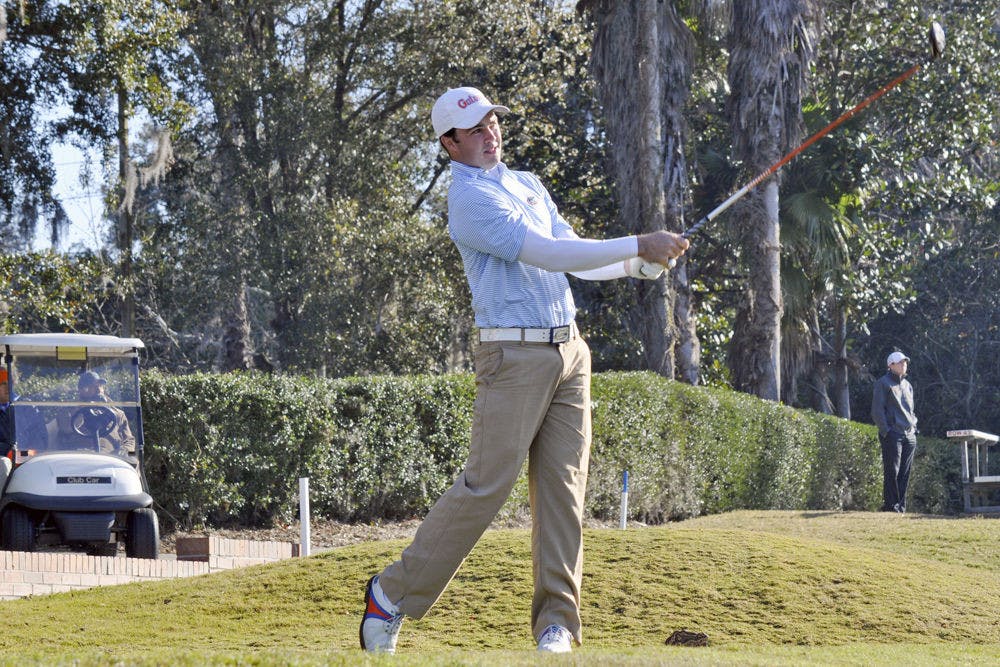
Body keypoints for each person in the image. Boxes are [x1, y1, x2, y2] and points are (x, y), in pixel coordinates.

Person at [359, 86, 689, 655]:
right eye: (475, 129)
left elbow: (573, 252)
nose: (490, 134)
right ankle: (390, 596)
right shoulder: (468, 200)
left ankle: (556, 625)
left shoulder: (527, 184)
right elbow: (548, 255)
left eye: (493, 123)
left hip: (570, 351)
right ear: (449, 144)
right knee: (486, 487)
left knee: (564, 491)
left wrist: (636, 265)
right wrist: (640, 241)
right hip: (512, 357)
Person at [871, 351, 918, 513]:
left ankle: (901, 507)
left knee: (905, 472)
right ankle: (891, 506)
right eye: (900, 362)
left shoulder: (908, 385)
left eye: (905, 362)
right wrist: (887, 431)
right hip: (893, 434)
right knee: (892, 471)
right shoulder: (883, 383)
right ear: (890, 365)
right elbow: (877, 411)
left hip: (909, 435)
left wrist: (914, 428)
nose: (904, 364)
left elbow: (911, 411)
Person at [70, 371, 136, 455]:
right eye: (93, 386)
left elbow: (129, 440)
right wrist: (81, 410)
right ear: (82, 390)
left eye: (100, 386)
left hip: (112, 457)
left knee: (133, 458)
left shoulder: (118, 413)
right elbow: (65, 428)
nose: (98, 390)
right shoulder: (70, 411)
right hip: (81, 456)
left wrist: (124, 450)